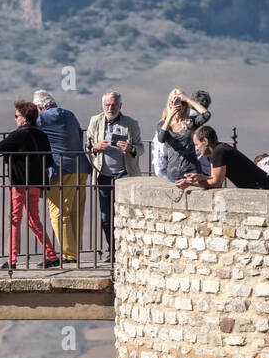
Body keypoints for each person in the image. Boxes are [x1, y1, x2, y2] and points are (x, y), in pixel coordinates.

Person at [0, 102, 58, 268]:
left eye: (16, 116)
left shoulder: (18, 135)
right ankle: (51, 255)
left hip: (20, 183)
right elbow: (48, 161)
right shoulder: (42, 135)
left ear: (24, 118)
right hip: (36, 184)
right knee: (34, 220)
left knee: (15, 220)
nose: (15, 119)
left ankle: (12, 260)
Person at [33, 89, 89, 264]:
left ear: (39, 107)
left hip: (61, 168)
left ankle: (69, 255)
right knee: (73, 211)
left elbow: (27, 132)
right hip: (81, 166)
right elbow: (79, 135)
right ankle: (73, 251)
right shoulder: (69, 114)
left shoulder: (42, 118)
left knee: (57, 212)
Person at [85, 90, 143, 258]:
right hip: (103, 174)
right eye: (107, 105)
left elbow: (141, 148)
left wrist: (130, 148)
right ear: (103, 105)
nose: (110, 108)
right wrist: (96, 147)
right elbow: (87, 146)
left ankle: (127, 249)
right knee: (106, 217)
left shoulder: (131, 123)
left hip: (124, 174)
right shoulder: (95, 121)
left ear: (120, 106)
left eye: (114, 105)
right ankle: (113, 249)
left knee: (126, 213)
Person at [177, 126, 269, 190]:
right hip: (267, 186)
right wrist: (200, 177)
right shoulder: (217, 150)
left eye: (197, 144)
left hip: (264, 189)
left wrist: (190, 183)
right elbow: (215, 178)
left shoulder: (218, 152)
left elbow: (216, 183)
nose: (196, 149)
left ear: (205, 141)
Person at [156, 89, 212, 181]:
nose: (179, 105)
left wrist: (188, 100)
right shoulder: (163, 124)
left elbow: (207, 115)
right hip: (174, 174)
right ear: (169, 104)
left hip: (192, 172)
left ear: (185, 106)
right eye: (174, 102)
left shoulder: (190, 122)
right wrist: (170, 115)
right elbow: (161, 138)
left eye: (182, 103)